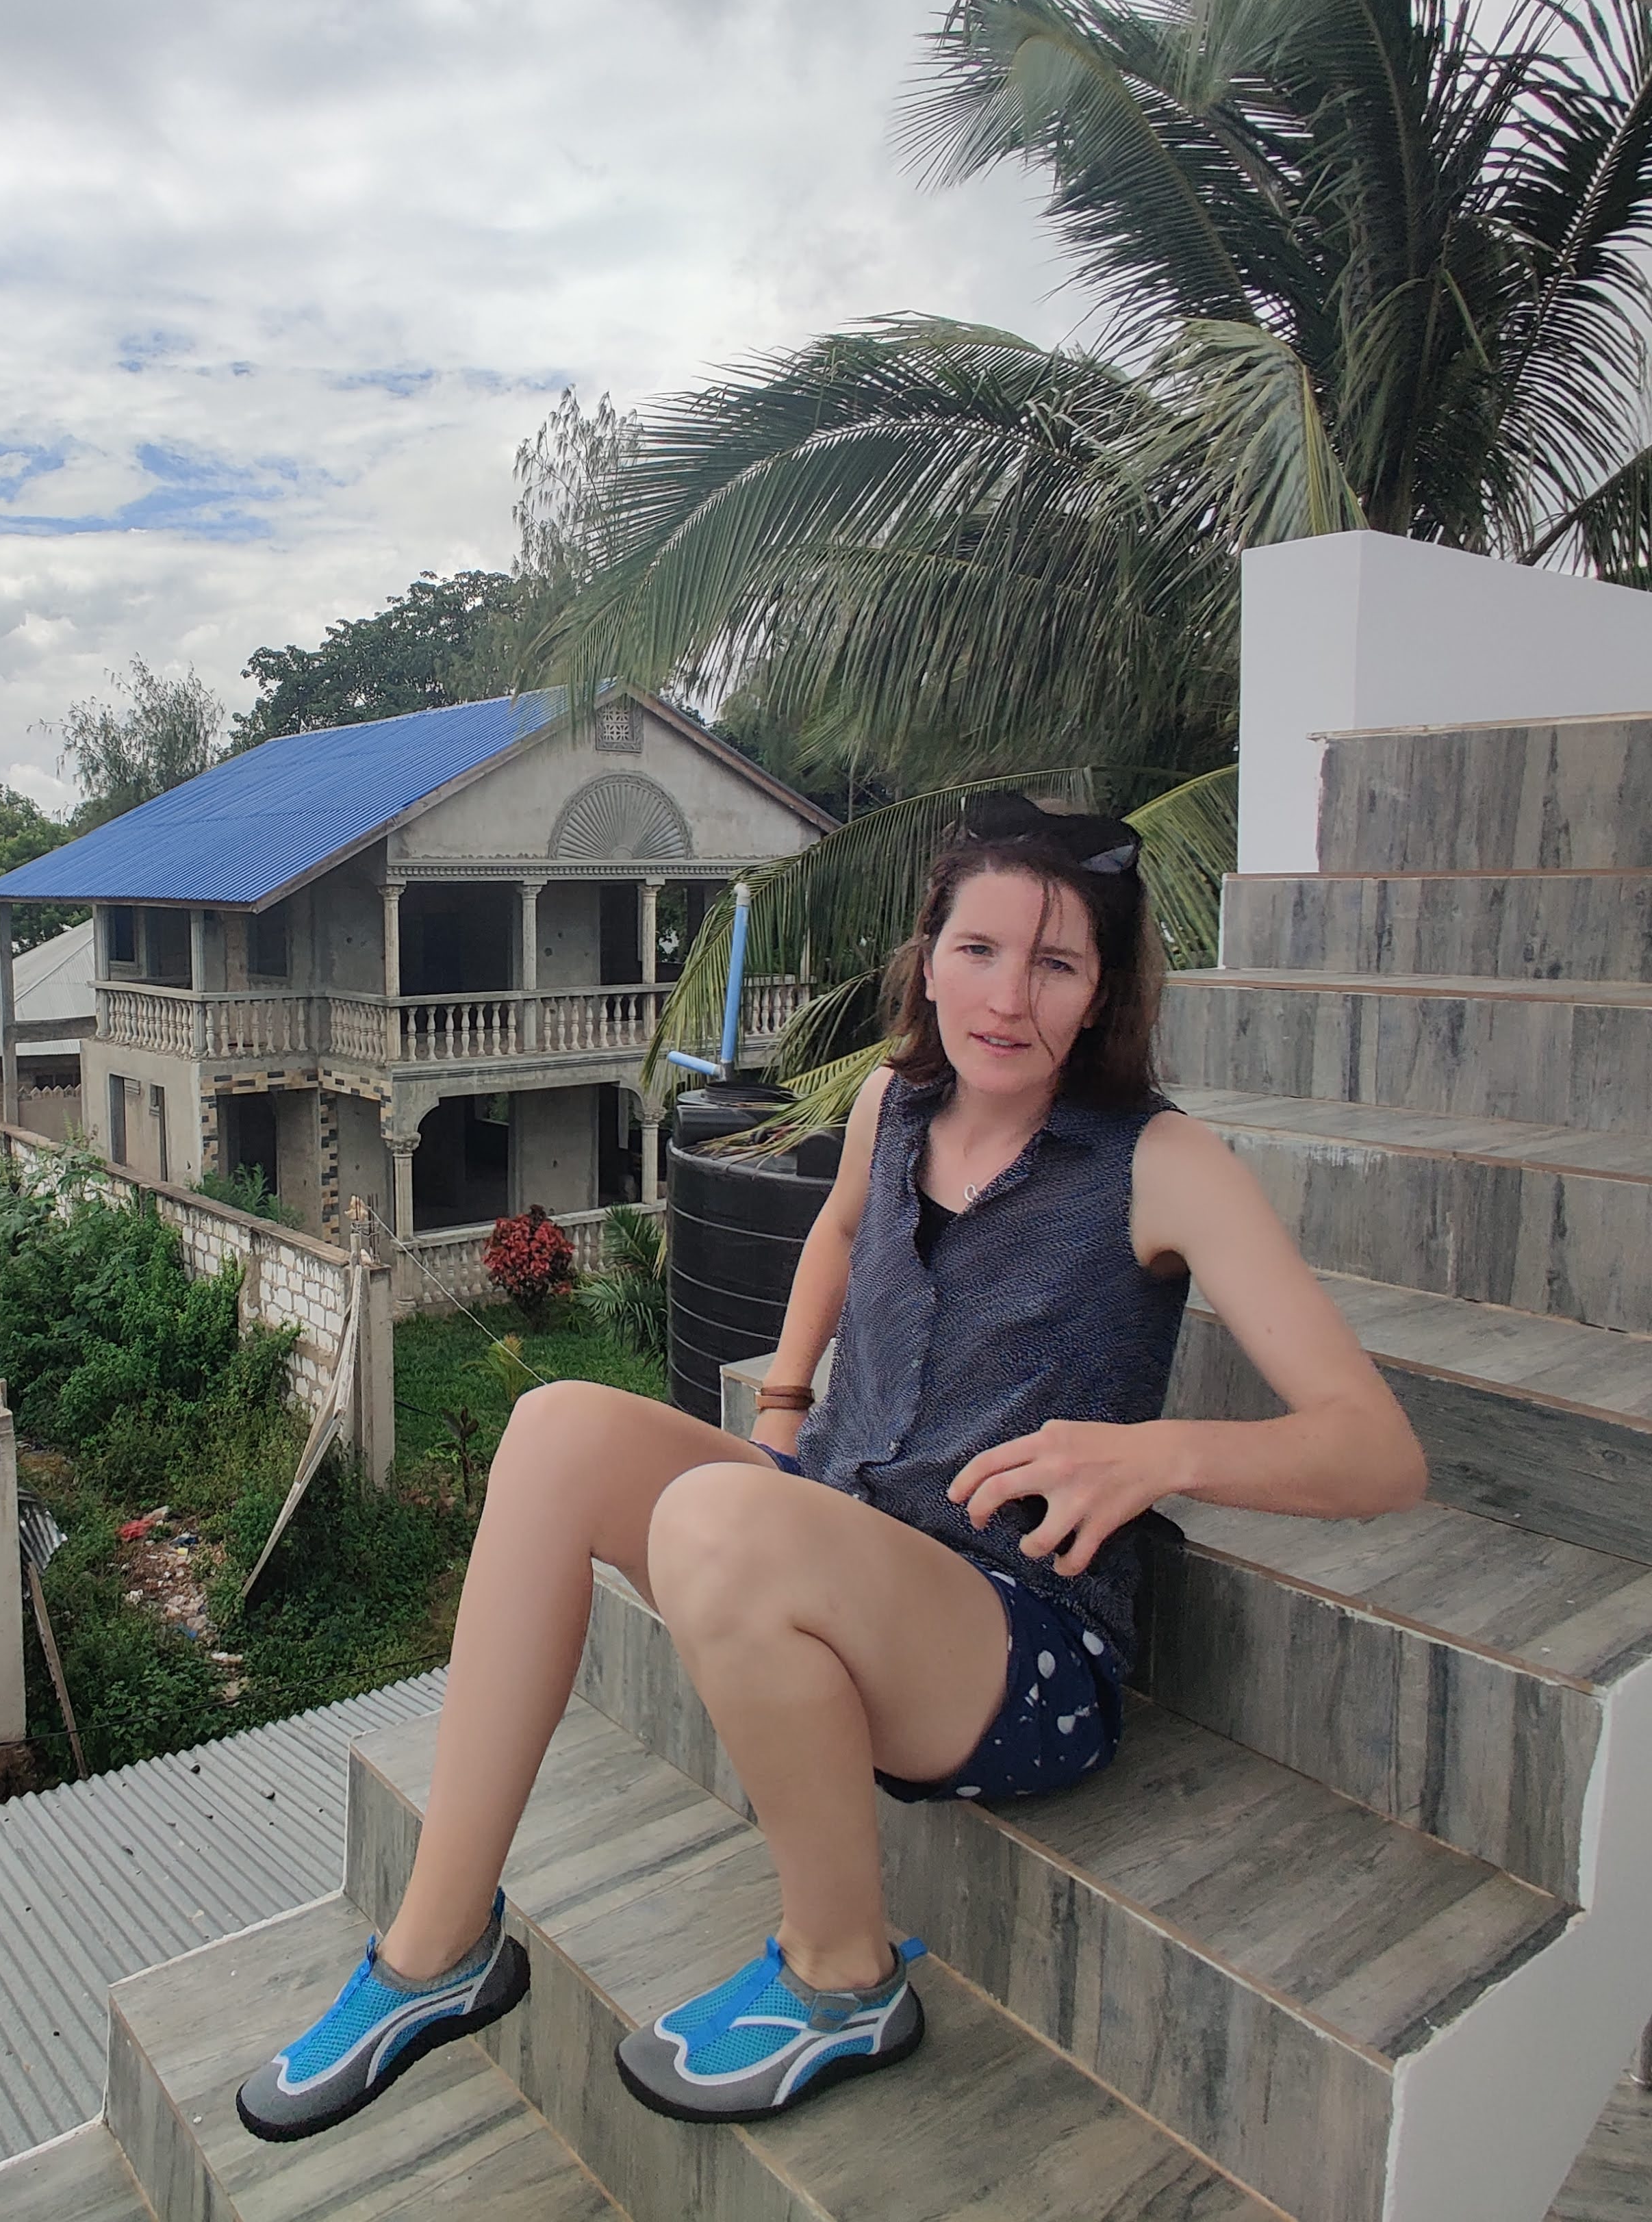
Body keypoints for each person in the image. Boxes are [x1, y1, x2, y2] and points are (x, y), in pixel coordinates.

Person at [234, 795, 1426, 2142]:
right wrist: (785, 1411)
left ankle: (843, 1972)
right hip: (851, 1530)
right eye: (979, 949)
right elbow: (840, 1237)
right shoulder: (893, 1104)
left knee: (716, 1528)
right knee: (560, 1425)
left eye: (1056, 964)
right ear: (928, 957)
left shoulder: (1163, 1163)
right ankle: (437, 1945)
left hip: (1014, 1641)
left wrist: (1162, 1452)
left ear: (1102, 994)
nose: (1008, 997)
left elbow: (1374, 1451)